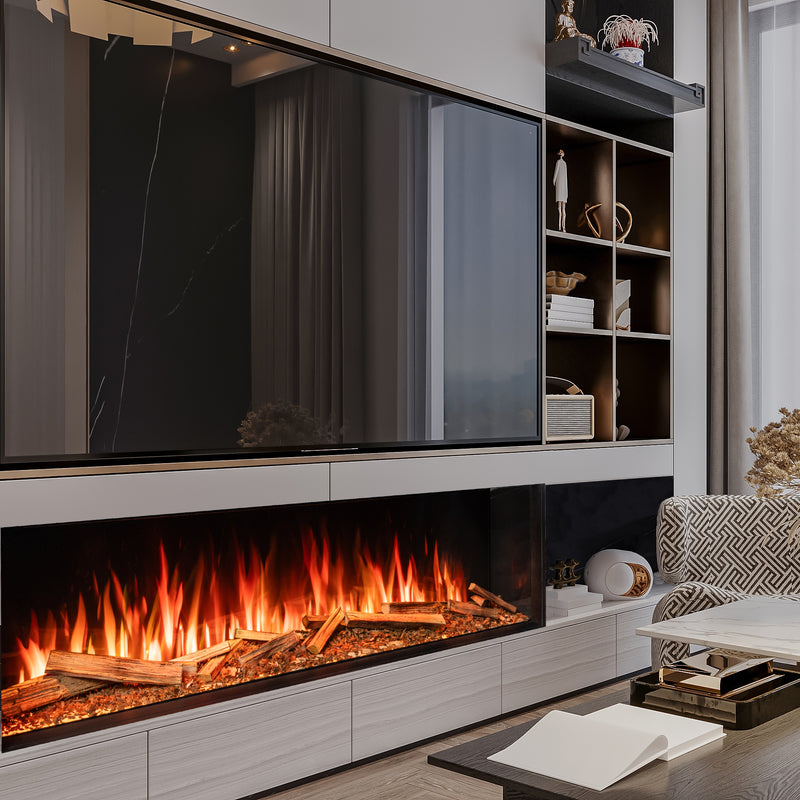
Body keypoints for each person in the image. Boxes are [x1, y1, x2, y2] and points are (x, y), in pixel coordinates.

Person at [553, 150, 568, 232]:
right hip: (563, 188)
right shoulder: (564, 164)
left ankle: (560, 227)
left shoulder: (559, 162)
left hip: (560, 186)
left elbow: (556, 172)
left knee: (560, 209)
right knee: (563, 210)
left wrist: (554, 180)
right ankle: (563, 227)